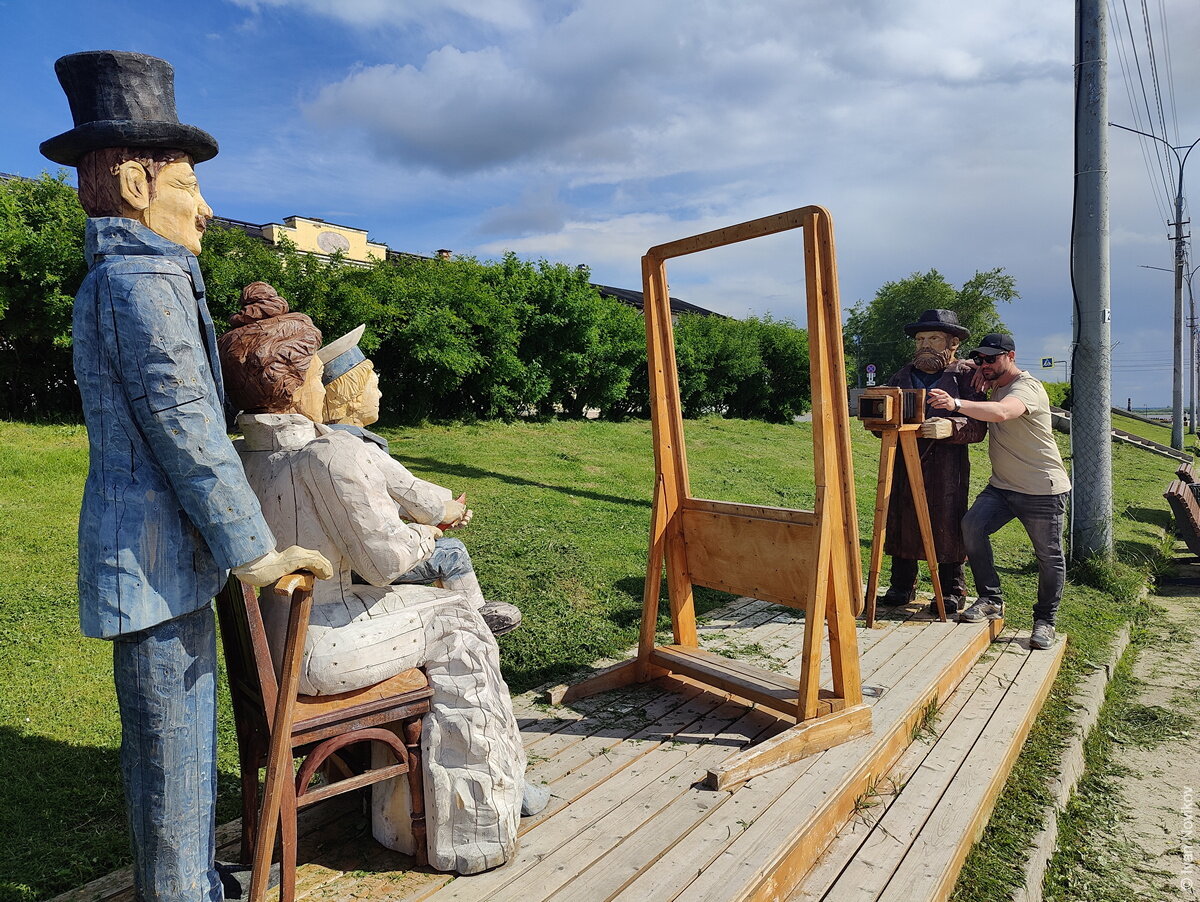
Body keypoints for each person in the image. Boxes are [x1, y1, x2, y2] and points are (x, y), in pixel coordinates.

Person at [40, 51, 331, 901]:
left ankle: (192, 881)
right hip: (152, 563)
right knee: (171, 742)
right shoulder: (141, 283)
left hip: (164, 558)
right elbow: (188, 431)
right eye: (189, 186)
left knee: (179, 734)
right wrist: (256, 551)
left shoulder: (143, 276)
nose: (205, 208)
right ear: (135, 183)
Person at [218, 286, 539, 874]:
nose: (321, 387)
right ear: (290, 385)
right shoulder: (327, 456)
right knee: (461, 624)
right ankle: (470, 832)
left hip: (269, 645)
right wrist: (431, 538)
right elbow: (385, 561)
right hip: (321, 646)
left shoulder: (238, 458)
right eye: (315, 375)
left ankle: (399, 805)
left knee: (437, 611)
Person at [317, 325, 522, 635]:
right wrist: (447, 509)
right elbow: (416, 497)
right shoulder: (357, 448)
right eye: (375, 386)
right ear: (353, 399)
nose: (381, 394)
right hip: (365, 566)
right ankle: (475, 621)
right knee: (452, 553)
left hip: (345, 559)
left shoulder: (319, 443)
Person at [929, 333, 1071, 650]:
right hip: (1003, 487)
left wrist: (956, 404)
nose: (984, 364)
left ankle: (1045, 621)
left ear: (1011, 355)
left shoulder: (1026, 387)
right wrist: (974, 365)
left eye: (991, 358)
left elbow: (1003, 412)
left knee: (1049, 558)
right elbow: (964, 365)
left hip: (1041, 490)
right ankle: (991, 598)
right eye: (980, 359)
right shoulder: (994, 379)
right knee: (971, 526)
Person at [877, 309, 986, 615]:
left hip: (947, 467)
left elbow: (979, 424)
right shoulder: (900, 376)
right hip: (903, 462)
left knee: (948, 522)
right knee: (902, 517)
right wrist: (880, 423)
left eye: (934, 338)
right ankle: (902, 583)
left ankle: (953, 588)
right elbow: (882, 412)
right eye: (921, 339)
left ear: (953, 343)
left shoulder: (965, 377)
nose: (925, 344)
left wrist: (952, 427)